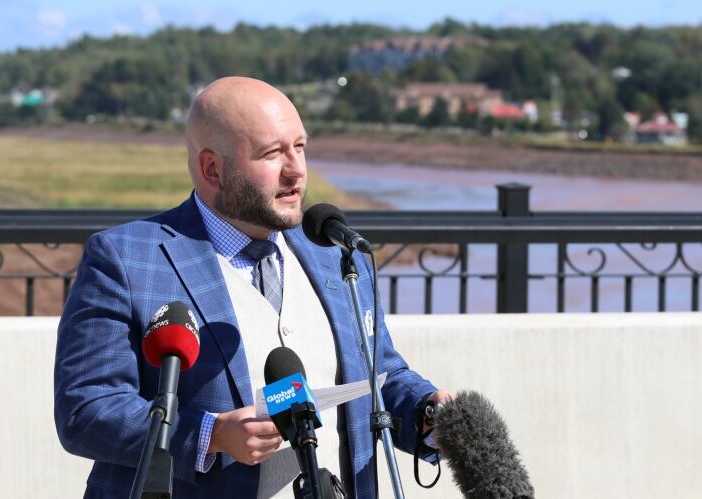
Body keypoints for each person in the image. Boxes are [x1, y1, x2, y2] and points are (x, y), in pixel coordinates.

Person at [54, 76, 450, 499]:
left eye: (300, 147)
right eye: (272, 153)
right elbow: (86, 408)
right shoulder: (125, 258)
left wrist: (427, 414)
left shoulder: (335, 252)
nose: (297, 169)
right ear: (212, 168)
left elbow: (379, 377)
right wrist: (210, 435)